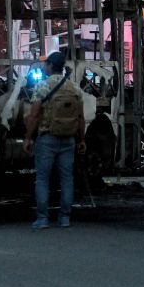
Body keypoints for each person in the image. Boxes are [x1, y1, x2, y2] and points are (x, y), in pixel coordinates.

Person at [23, 52, 86, 229]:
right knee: (67, 178)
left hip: (47, 137)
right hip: (68, 139)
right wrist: (81, 139)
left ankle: (42, 218)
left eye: (46, 64)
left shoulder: (42, 87)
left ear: (51, 65)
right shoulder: (75, 88)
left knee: (43, 179)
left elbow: (34, 115)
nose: (44, 66)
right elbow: (80, 117)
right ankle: (64, 218)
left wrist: (28, 137)